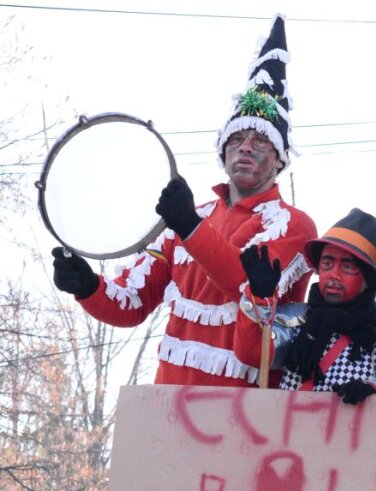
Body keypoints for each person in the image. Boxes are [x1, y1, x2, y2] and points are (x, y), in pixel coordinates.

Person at [50, 16, 317, 387]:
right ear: (222, 150)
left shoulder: (292, 224)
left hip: (247, 416)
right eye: (237, 139)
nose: (245, 148)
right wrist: (87, 286)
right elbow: (132, 301)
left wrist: (190, 226)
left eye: (261, 141)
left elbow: (246, 287)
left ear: (280, 159)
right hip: (169, 411)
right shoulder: (190, 219)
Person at [235, 209, 376, 399]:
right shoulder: (294, 321)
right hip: (293, 427)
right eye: (327, 264)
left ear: (368, 277)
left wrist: (375, 391)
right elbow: (252, 353)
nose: (333, 275)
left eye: (347, 266)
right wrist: (260, 298)